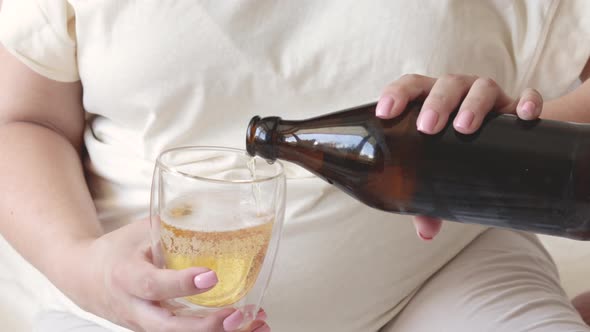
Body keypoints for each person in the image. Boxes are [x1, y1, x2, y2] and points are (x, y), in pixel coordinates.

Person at [0, 1, 589, 331]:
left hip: (440, 272)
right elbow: (23, 120)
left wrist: (523, 135)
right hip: (130, 303)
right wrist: (80, 264)